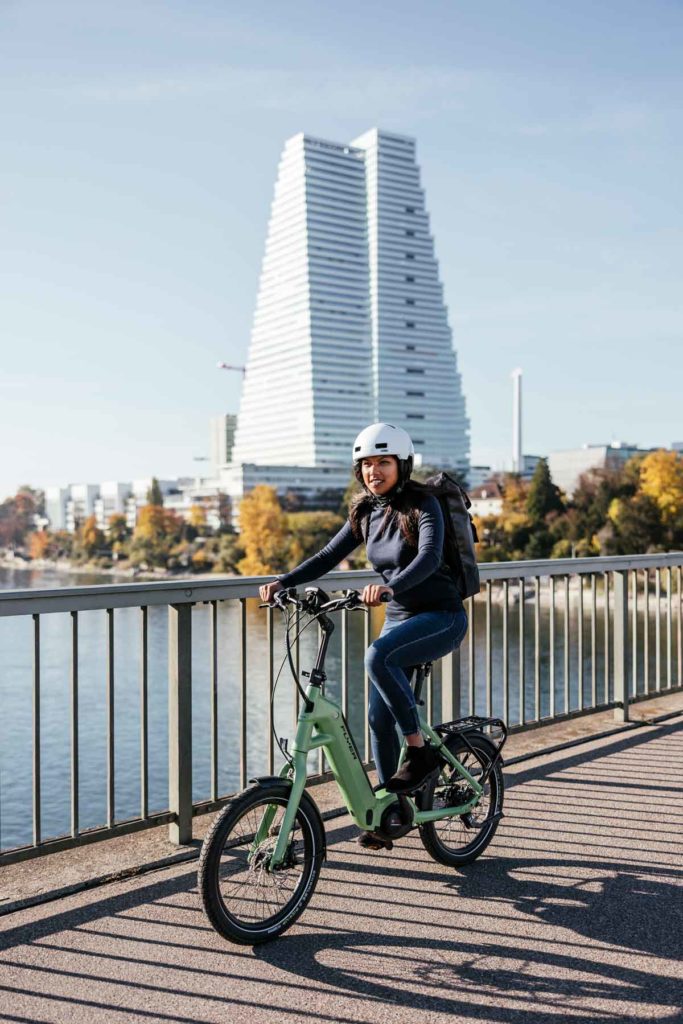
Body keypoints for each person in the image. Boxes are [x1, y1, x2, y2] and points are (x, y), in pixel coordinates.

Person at [259, 422, 468, 848]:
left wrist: (391, 586)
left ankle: (420, 753)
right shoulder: (365, 512)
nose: (375, 471)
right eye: (367, 464)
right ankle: (392, 809)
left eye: (384, 463)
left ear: (402, 465)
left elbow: (428, 557)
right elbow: (328, 555)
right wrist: (285, 581)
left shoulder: (424, 505)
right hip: (400, 617)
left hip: (441, 616)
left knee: (376, 657)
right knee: (376, 717)